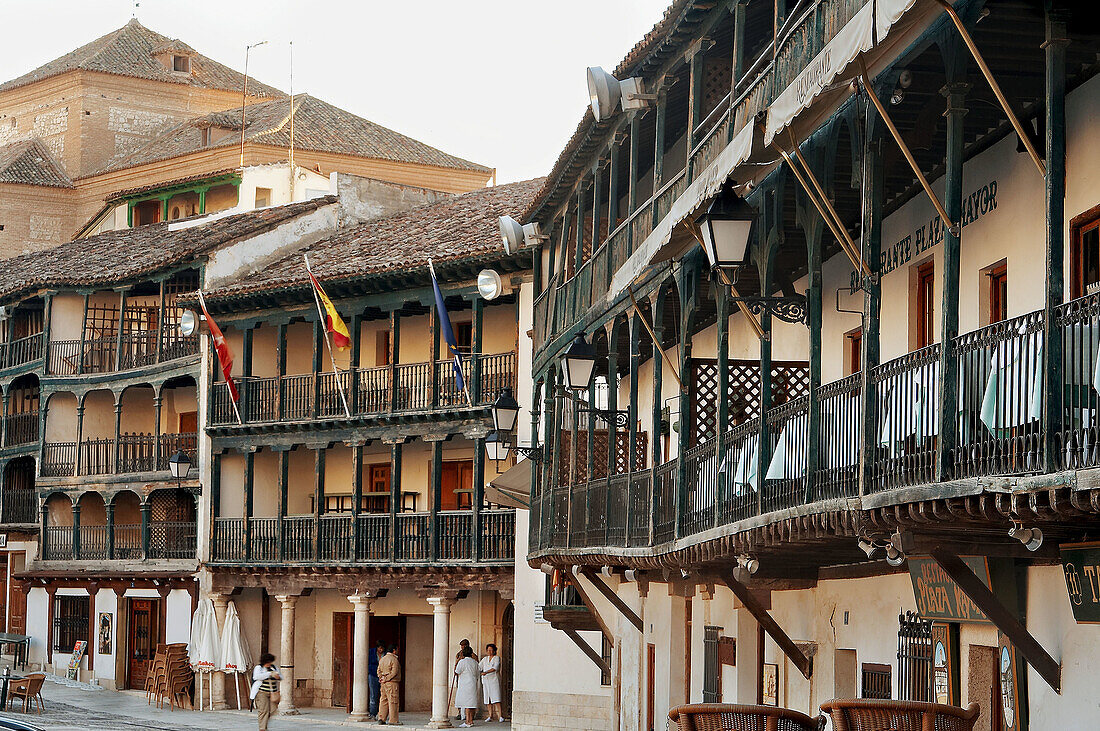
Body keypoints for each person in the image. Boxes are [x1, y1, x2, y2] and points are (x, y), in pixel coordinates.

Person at [249, 652, 281, 731]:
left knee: (273, 710)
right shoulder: (259, 668)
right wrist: (269, 674)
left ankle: (264, 724)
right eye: (268, 662)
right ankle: (262, 728)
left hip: (272, 692)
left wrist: (277, 676)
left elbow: (280, 677)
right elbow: (256, 677)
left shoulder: (274, 667)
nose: (269, 663)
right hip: (261, 692)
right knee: (263, 711)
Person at [454, 645, 480, 728]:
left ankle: (468, 721)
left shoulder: (462, 662)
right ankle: (470, 720)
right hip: (472, 683)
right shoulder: (475, 662)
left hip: (465, 684)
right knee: (471, 703)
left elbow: (457, 671)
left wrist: (457, 661)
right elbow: (478, 673)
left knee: (467, 703)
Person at [479, 643, 505, 722]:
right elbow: (479, 667)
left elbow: (495, 668)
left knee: (496, 698)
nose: (489, 652)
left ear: (494, 651)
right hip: (486, 681)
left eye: (491, 650)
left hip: (494, 680)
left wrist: (486, 672)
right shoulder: (484, 659)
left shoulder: (496, 658)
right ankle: (490, 715)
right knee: (488, 699)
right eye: (488, 650)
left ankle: (500, 716)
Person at [377, 644, 402, 726]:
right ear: (394, 650)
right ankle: (393, 720)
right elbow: (394, 672)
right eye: (397, 650)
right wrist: (387, 678)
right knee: (393, 701)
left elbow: (378, 671)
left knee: (383, 700)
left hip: (383, 683)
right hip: (392, 683)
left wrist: (381, 678)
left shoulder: (382, 659)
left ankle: (381, 718)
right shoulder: (394, 660)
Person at [368, 640, 384, 720]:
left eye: (382, 648)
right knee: (373, 695)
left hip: (382, 676)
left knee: (383, 695)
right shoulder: (371, 652)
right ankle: (372, 713)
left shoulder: (385, 655)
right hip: (373, 675)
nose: (381, 650)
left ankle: (381, 714)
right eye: (379, 648)